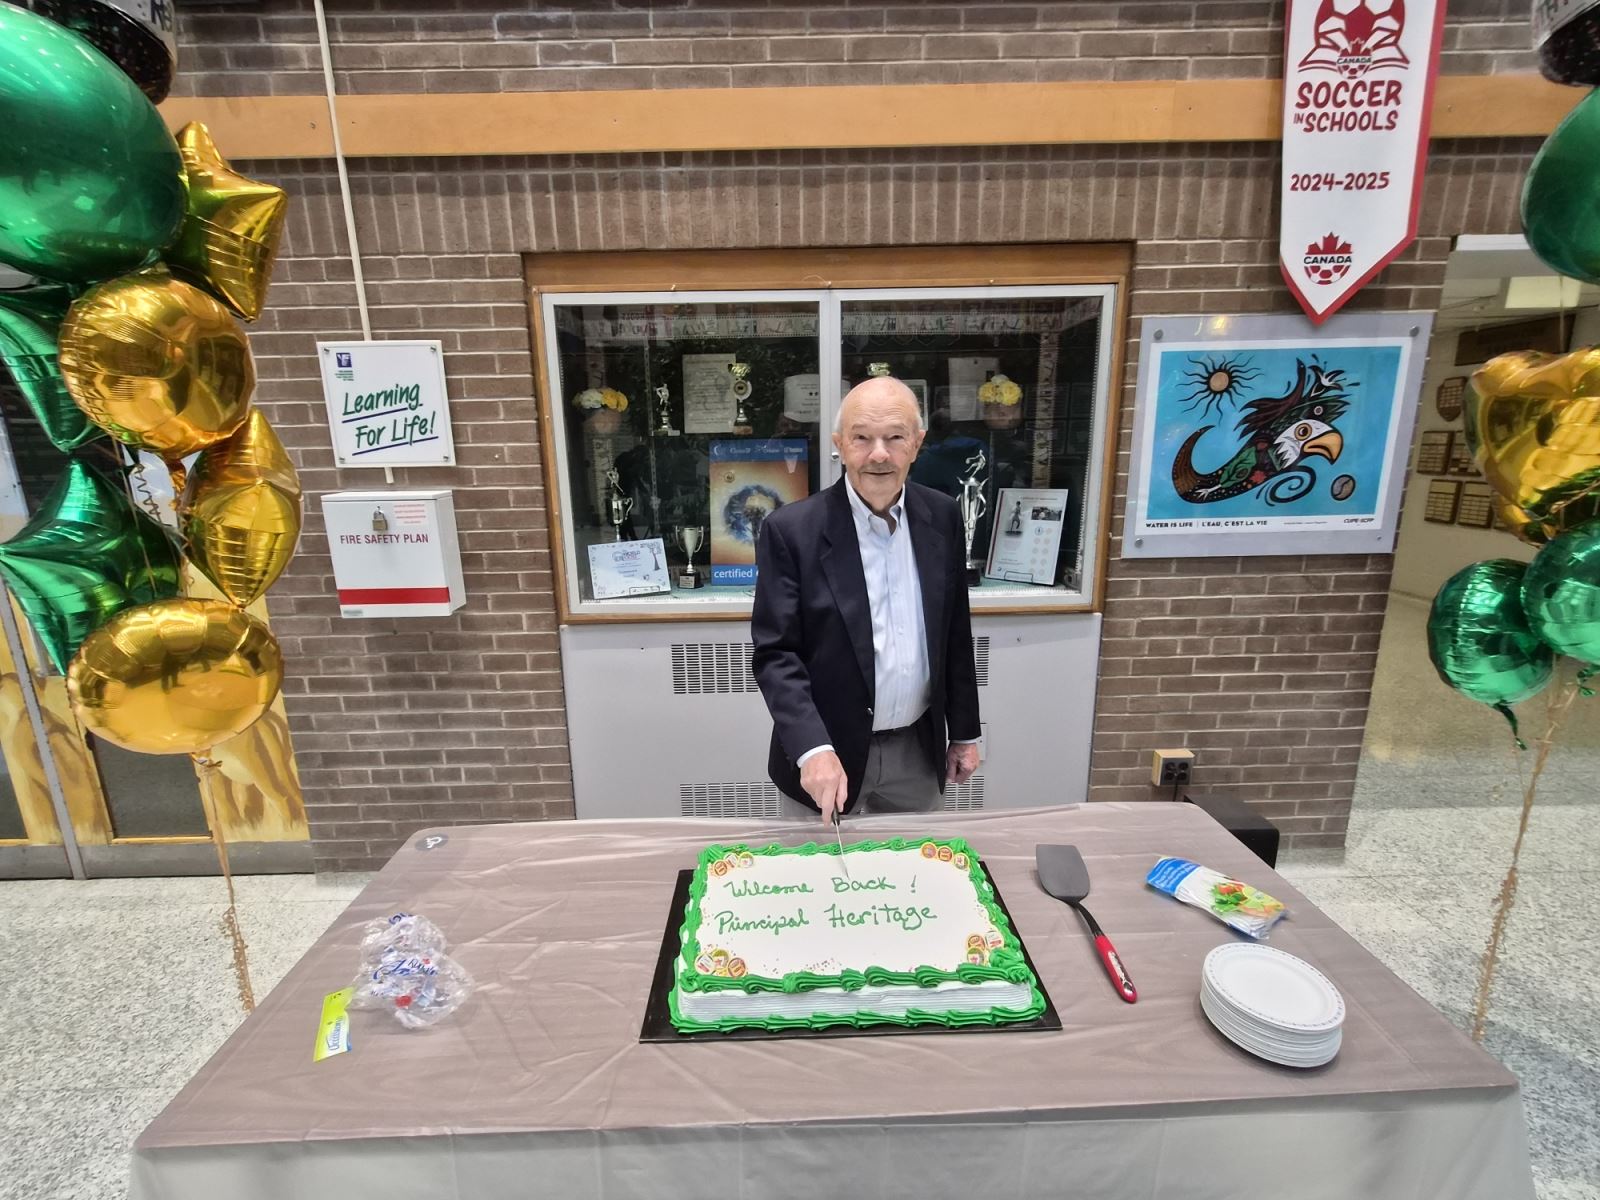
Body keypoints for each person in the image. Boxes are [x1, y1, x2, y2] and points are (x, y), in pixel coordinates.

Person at [751, 376, 981, 825]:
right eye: (862, 438)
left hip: (917, 755)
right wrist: (811, 749)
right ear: (839, 444)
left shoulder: (944, 517)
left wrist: (965, 732)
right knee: (819, 888)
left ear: (917, 444)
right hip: (824, 761)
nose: (879, 454)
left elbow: (955, 632)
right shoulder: (791, 531)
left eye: (895, 437)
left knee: (915, 885)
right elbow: (777, 654)